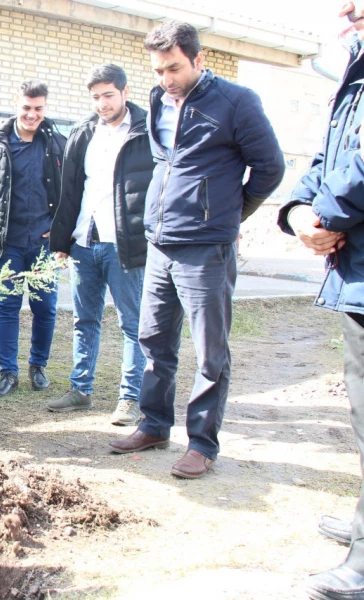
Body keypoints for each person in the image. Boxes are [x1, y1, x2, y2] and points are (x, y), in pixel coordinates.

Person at [108, 20, 284, 479]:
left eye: (174, 68)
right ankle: (154, 424)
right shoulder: (156, 99)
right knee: (153, 341)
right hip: (160, 244)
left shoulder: (237, 103)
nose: (166, 79)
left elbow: (270, 168)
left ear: (199, 60)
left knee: (209, 352)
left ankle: (202, 444)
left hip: (206, 247)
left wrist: (228, 214)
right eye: (158, 70)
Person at [279, 3, 364, 597]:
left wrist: (327, 217)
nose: (345, 7)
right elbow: (327, 159)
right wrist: (297, 213)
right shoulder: (355, 68)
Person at [48, 64, 155, 426]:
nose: (102, 103)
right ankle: (80, 389)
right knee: (84, 320)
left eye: (108, 95)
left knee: (132, 323)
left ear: (125, 92)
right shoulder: (83, 132)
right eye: (95, 97)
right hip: (84, 242)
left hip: (124, 244)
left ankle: (130, 398)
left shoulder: (148, 131)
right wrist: (63, 240)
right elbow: (71, 190)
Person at [0, 80, 65, 397]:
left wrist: (60, 226)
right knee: (7, 308)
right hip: (5, 243)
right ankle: (8, 372)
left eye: (38, 108)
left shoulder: (57, 144)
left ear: (45, 107)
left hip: (43, 245)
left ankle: (38, 367)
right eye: (26, 107)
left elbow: (71, 191)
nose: (32, 114)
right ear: (16, 105)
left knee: (46, 308)